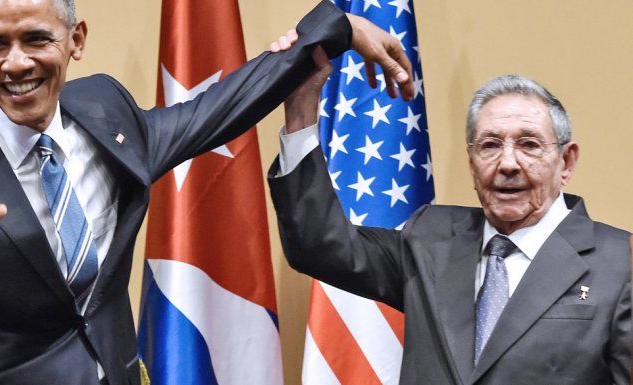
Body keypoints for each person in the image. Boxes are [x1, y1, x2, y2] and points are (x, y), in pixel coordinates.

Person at [0, 0, 416, 385]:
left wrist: (334, 29)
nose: (16, 63)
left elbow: (215, 110)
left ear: (75, 40)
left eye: (37, 39)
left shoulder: (106, 112)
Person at [268, 67, 631, 384]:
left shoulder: (620, 262)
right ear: (472, 162)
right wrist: (301, 111)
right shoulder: (430, 238)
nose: (507, 163)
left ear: (566, 162)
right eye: (489, 145)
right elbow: (318, 245)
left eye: (529, 145)